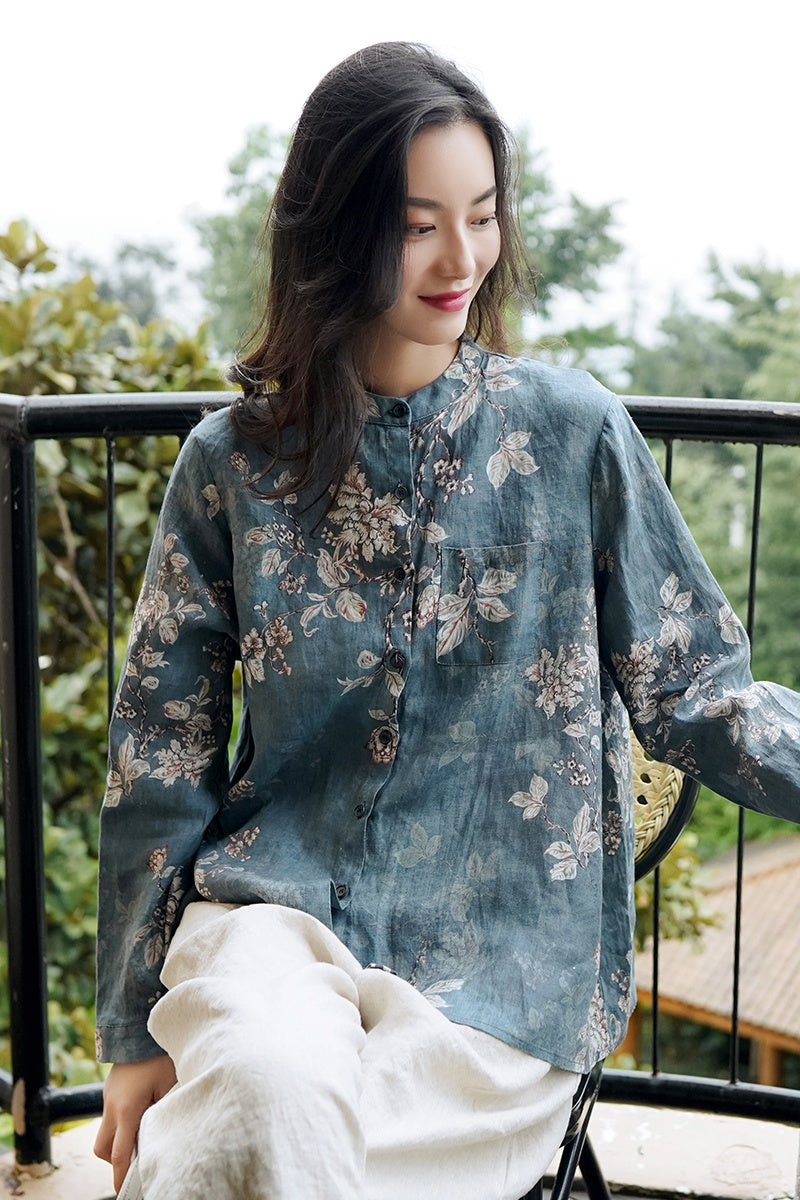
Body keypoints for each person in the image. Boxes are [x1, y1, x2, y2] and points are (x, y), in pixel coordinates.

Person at [93, 41, 800, 1200]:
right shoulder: (230, 467)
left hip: (503, 970)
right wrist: (132, 1032)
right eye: (417, 225)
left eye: (480, 216)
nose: (461, 259)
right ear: (334, 231)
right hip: (273, 925)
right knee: (263, 1090)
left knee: (237, 1153)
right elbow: (159, 758)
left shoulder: (572, 436)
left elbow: (696, 694)